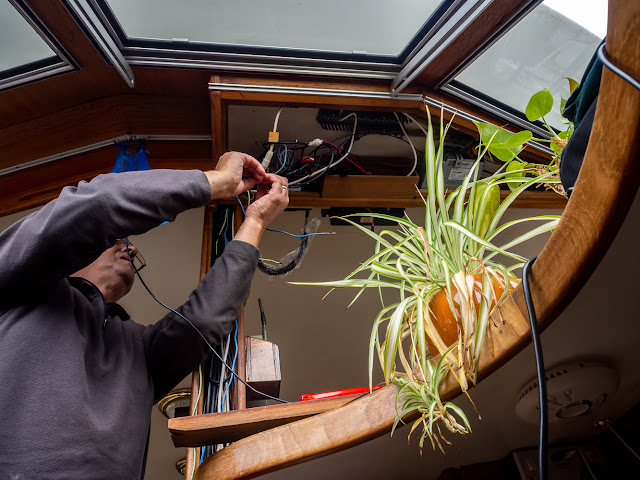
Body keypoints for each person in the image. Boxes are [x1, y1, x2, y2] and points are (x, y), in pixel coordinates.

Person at [0, 151, 289, 479]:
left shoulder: (138, 348)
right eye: (118, 241)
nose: (131, 249)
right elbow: (95, 207)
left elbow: (205, 320)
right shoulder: (19, 282)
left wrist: (255, 222)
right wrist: (217, 182)